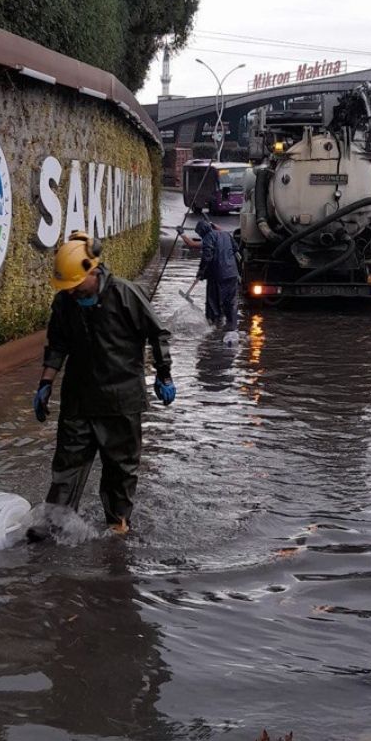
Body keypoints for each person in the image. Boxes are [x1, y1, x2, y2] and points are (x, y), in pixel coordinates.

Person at [32, 231, 174, 536]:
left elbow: (158, 333)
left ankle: (117, 527)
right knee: (66, 465)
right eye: (66, 287)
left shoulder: (125, 294)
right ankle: (54, 525)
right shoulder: (65, 303)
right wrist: (45, 385)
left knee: (120, 469)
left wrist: (164, 374)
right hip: (78, 399)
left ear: (92, 271)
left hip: (121, 401)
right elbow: (57, 345)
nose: (70, 292)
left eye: (74, 285)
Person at [194, 218, 240, 331]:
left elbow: (207, 257)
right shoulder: (226, 234)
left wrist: (201, 272)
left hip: (217, 275)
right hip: (232, 274)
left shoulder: (208, 238)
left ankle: (213, 328)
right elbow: (236, 248)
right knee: (230, 301)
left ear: (201, 232)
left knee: (213, 302)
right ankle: (231, 326)